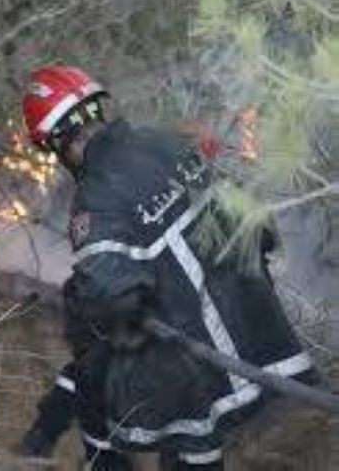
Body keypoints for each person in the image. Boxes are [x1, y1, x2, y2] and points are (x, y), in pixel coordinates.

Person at [18, 65, 314, 470]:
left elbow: (110, 297)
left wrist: (108, 326)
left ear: (56, 141)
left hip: (196, 365)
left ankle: (73, 450)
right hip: (258, 336)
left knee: (105, 364)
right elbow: (255, 222)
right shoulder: (164, 142)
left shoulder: (96, 198)